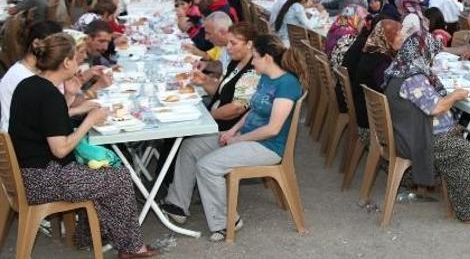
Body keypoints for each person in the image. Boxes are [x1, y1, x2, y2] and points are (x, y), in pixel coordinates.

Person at [8, 33, 160, 257]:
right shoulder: (48, 94)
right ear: (66, 62)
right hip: (43, 179)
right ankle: (131, 249)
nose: (80, 63)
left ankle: (90, 237)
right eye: (76, 58)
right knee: (118, 177)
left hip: (27, 174)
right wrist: (89, 121)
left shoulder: (29, 85)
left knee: (103, 173)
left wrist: (70, 98)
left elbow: (48, 122)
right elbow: (59, 148)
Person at [161, 34, 305, 242]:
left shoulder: (287, 84)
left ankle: (226, 223)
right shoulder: (265, 76)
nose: (252, 61)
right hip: (246, 136)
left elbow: (273, 129)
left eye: (255, 56)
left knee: (207, 166)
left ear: (267, 58)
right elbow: (252, 110)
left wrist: (239, 139)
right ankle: (177, 205)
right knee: (192, 146)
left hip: (267, 146)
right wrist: (232, 131)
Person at [382, 31, 470, 225]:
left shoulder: (398, 67)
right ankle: (469, 211)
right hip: (416, 139)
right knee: (463, 149)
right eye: (432, 53)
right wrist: (455, 96)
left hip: (404, 131)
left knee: (457, 133)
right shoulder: (413, 77)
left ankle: (463, 187)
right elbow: (435, 108)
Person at [0, 21, 63, 130]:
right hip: (17, 141)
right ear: (36, 44)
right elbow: (49, 118)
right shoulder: (24, 78)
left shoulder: (29, 71)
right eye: (56, 48)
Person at [353, 19, 403, 130]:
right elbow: (393, 94)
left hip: (365, 113)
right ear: (387, 38)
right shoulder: (381, 64)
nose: (402, 38)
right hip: (373, 124)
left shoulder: (372, 51)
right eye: (398, 35)